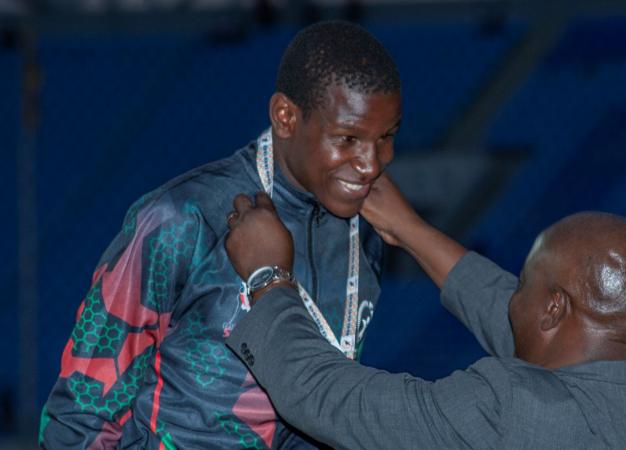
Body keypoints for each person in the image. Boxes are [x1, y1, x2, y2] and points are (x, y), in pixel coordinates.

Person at [40, 21, 402, 449]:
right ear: (285, 116)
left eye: (386, 138)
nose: (372, 163)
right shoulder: (182, 219)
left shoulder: (368, 235)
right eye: (348, 138)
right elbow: (83, 409)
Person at [223, 176, 626, 449]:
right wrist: (410, 230)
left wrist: (268, 276)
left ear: (554, 308)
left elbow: (333, 399)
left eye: (522, 284)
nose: (511, 298)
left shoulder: (506, 410)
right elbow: (545, 337)